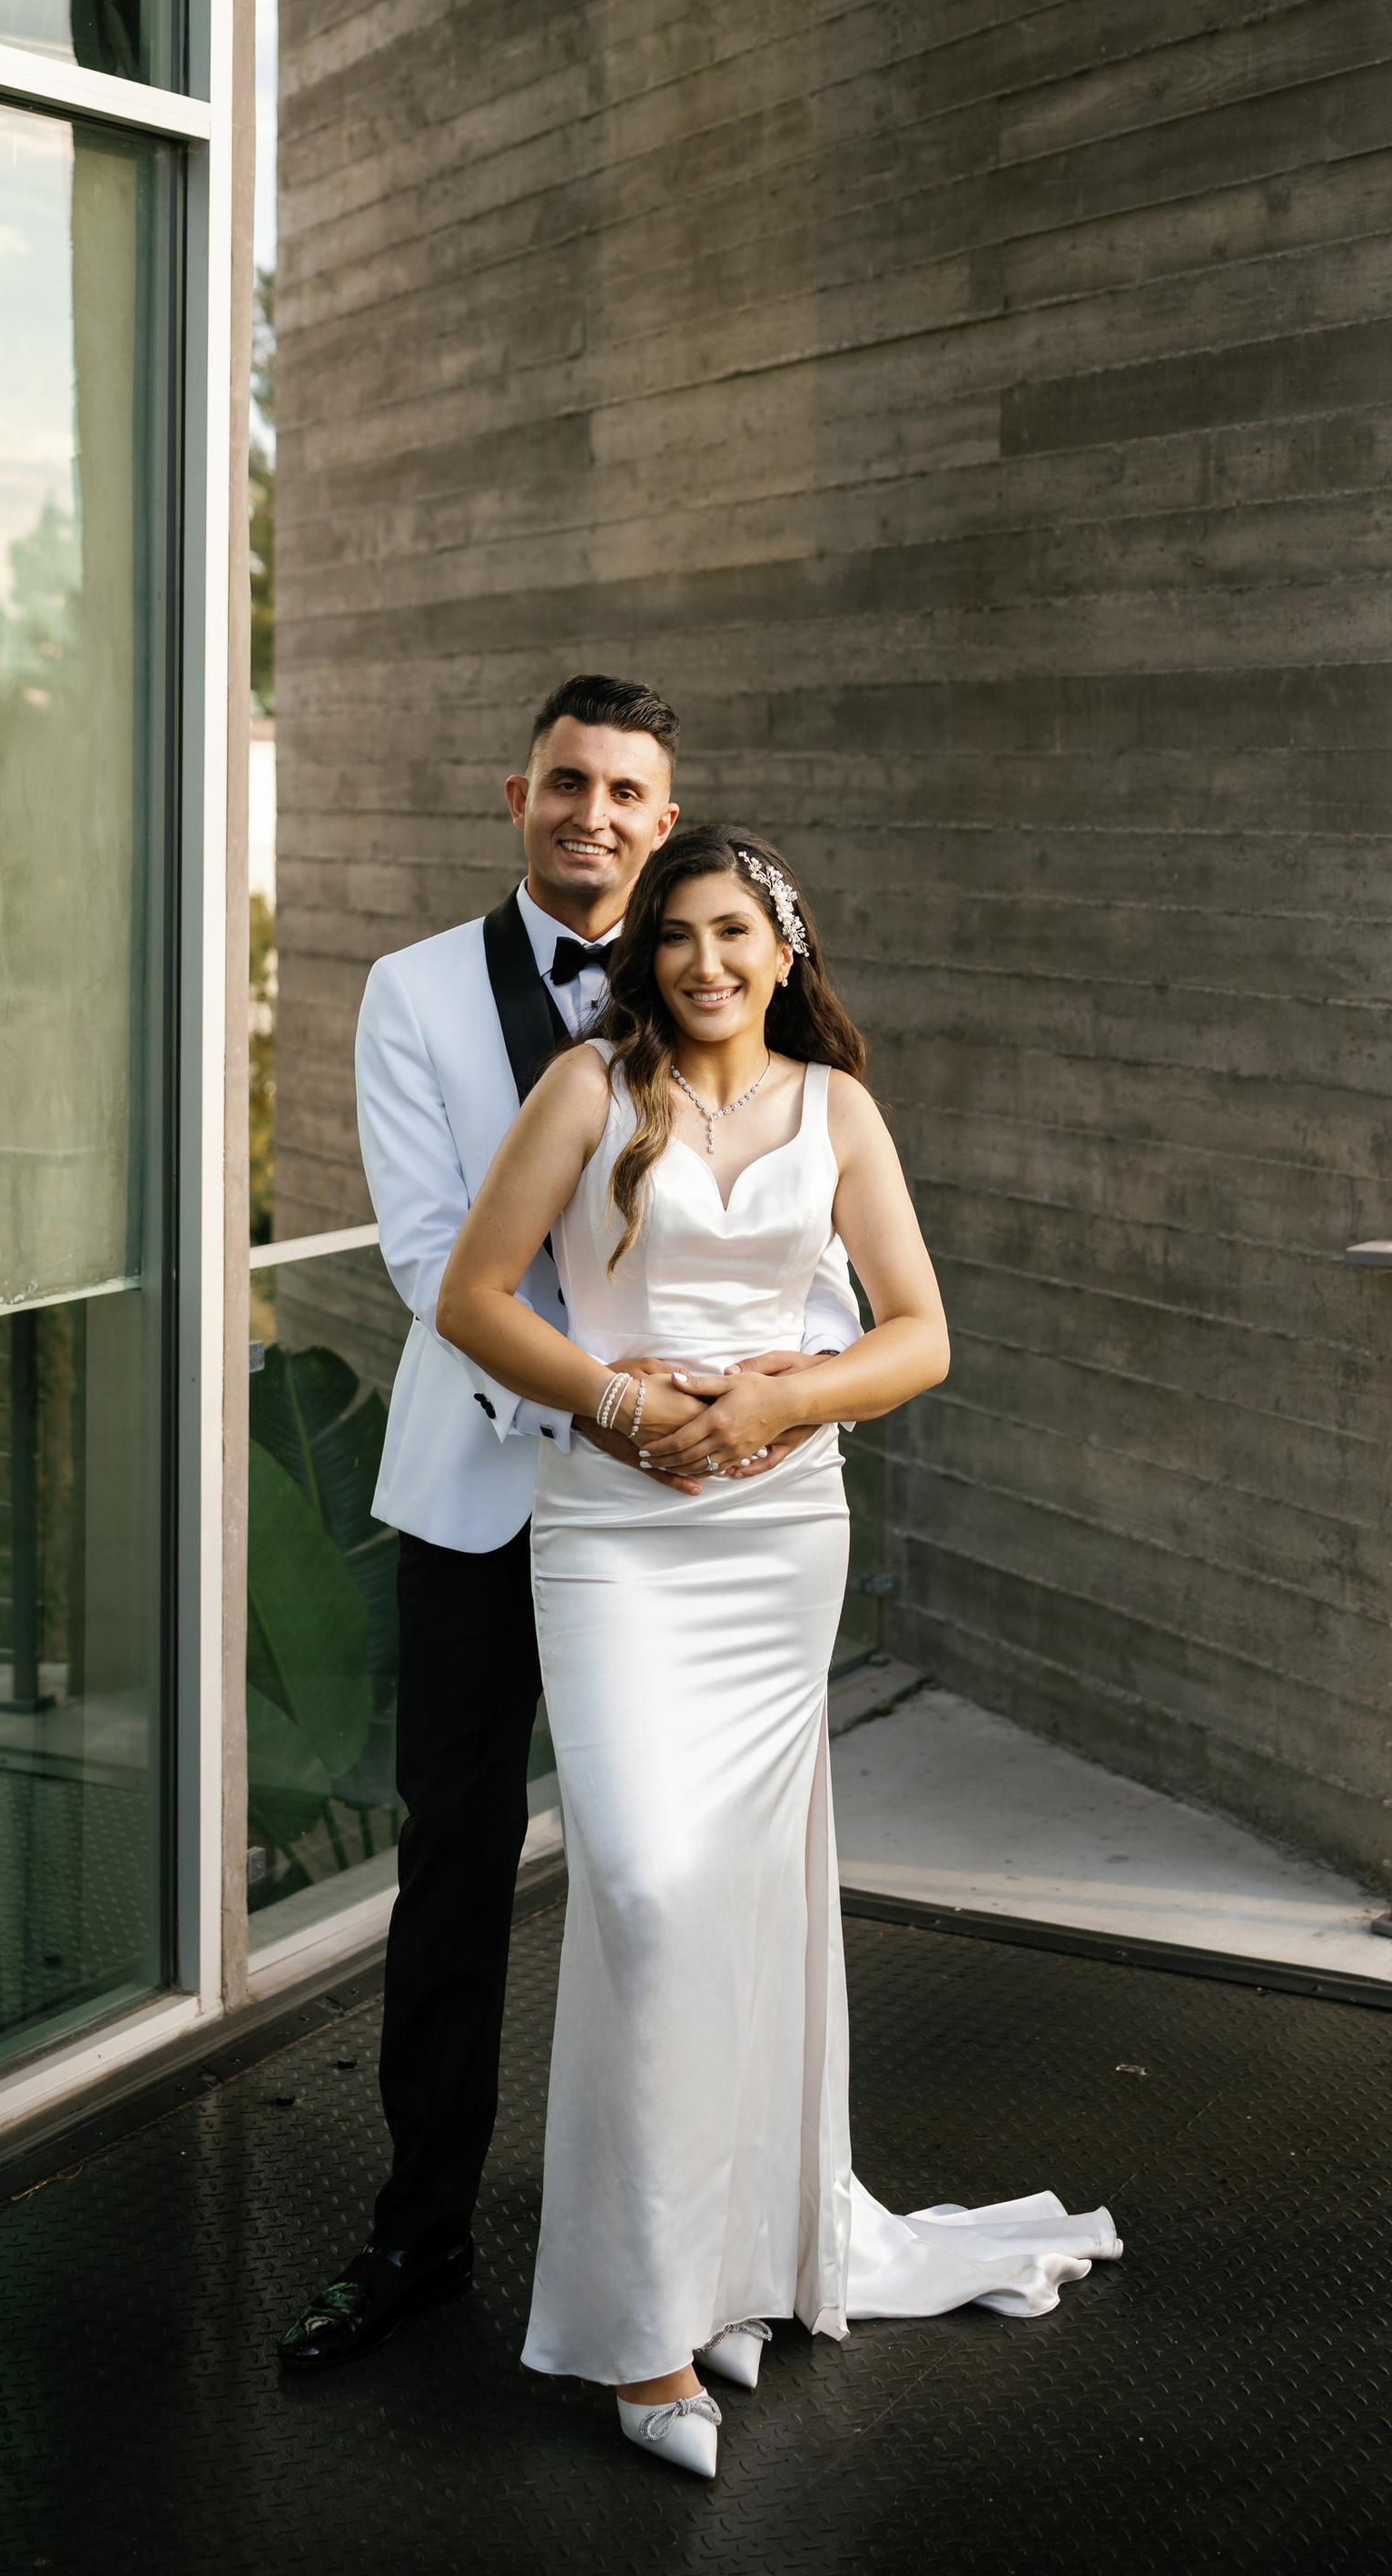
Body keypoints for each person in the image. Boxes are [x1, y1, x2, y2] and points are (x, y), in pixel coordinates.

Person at [435, 823, 1121, 2479]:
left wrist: (771, 1402)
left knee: (737, 1908)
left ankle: (730, 2268)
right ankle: (638, 2333)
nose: (704, 962)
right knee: (652, 1892)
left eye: (734, 930)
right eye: (676, 935)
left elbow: (920, 1336)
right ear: (644, 955)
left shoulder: (841, 1113)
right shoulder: (589, 1095)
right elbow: (471, 1297)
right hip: (613, 1540)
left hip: (775, 1543)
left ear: (786, 947)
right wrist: (617, 1402)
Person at [276, 683, 862, 2373]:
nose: (594, 816)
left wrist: (741, 1410)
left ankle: (715, 2231)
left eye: (630, 794)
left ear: (664, 822)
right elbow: (422, 1258)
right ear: (515, 795)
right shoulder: (410, 994)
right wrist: (622, 1415)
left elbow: (808, 1251)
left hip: (702, 1529)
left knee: (687, 1877)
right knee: (456, 1863)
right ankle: (418, 2234)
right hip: (489, 1492)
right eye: (568, 784)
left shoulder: (722, 990)